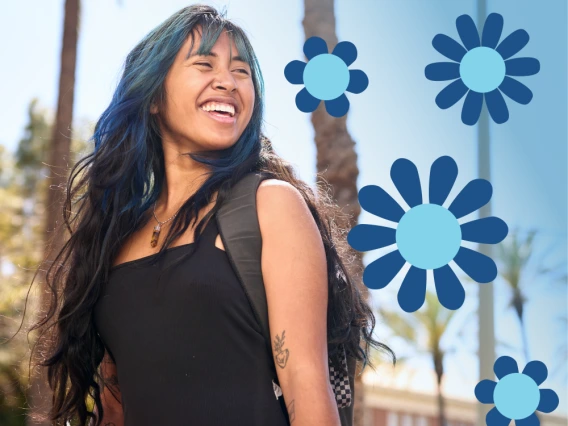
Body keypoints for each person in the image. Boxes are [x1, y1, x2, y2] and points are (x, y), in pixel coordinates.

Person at [25, 4, 394, 426]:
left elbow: (307, 388)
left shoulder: (270, 206)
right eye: (204, 64)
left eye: (241, 71)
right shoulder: (114, 239)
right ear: (153, 98)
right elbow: (116, 408)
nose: (228, 82)